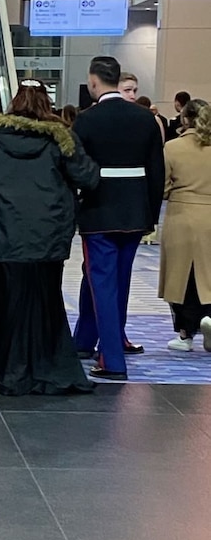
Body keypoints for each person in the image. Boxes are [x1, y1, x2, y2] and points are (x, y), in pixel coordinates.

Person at [0, 80, 99, 394]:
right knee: (45, 301)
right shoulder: (60, 138)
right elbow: (87, 176)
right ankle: (47, 367)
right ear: (47, 104)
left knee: (3, 301)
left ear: (14, 103)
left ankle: (2, 369)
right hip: (47, 235)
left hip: (3, 236)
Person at [72, 56, 166, 380]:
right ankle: (84, 341)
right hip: (136, 212)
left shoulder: (85, 121)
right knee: (116, 281)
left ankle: (111, 359)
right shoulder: (145, 119)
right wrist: (150, 216)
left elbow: (76, 170)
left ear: (94, 82)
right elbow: (157, 172)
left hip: (98, 211)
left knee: (101, 282)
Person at [158, 99, 211, 352]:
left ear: (185, 118)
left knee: (181, 278)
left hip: (181, 216)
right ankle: (209, 318)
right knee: (209, 275)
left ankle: (185, 334)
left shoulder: (172, 147)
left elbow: (164, 186)